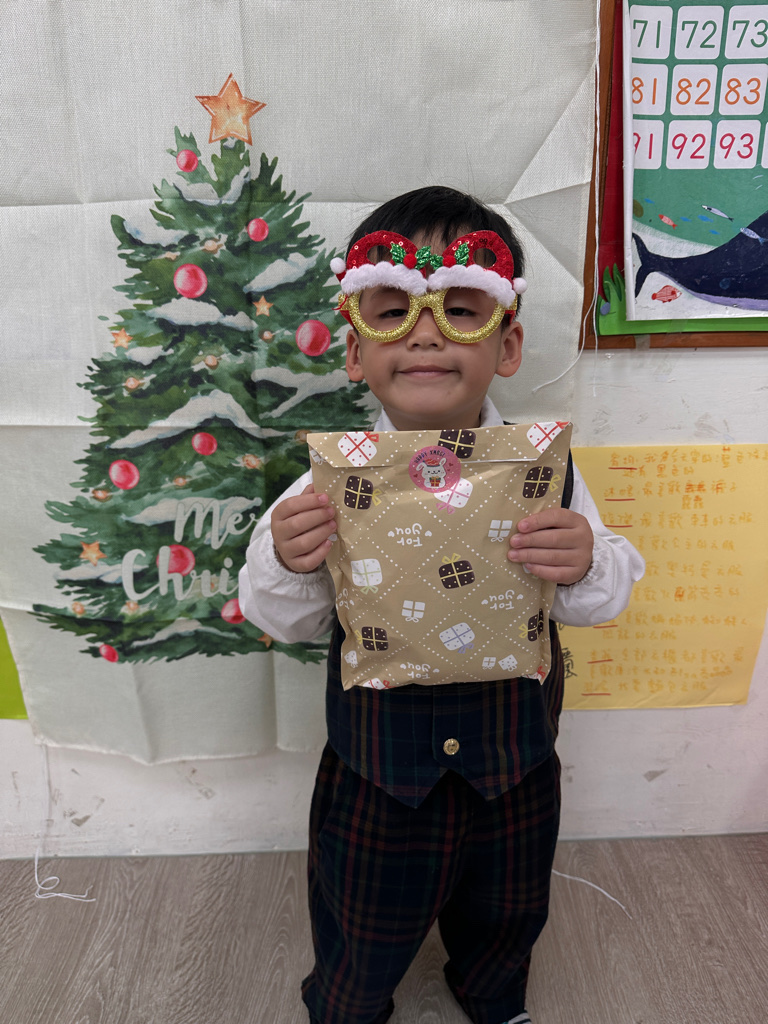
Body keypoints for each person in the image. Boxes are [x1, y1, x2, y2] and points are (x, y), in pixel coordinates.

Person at [239, 186, 644, 1024]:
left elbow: (600, 598)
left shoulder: (548, 475)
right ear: (356, 351)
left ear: (507, 343)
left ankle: (492, 993)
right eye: (393, 311)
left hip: (514, 768)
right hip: (380, 779)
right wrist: (285, 558)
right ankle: (348, 1005)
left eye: (461, 309)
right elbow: (285, 617)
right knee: (362, 916)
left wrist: (584, 562)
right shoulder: (325, 484)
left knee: (508, 909)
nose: (426, 332)